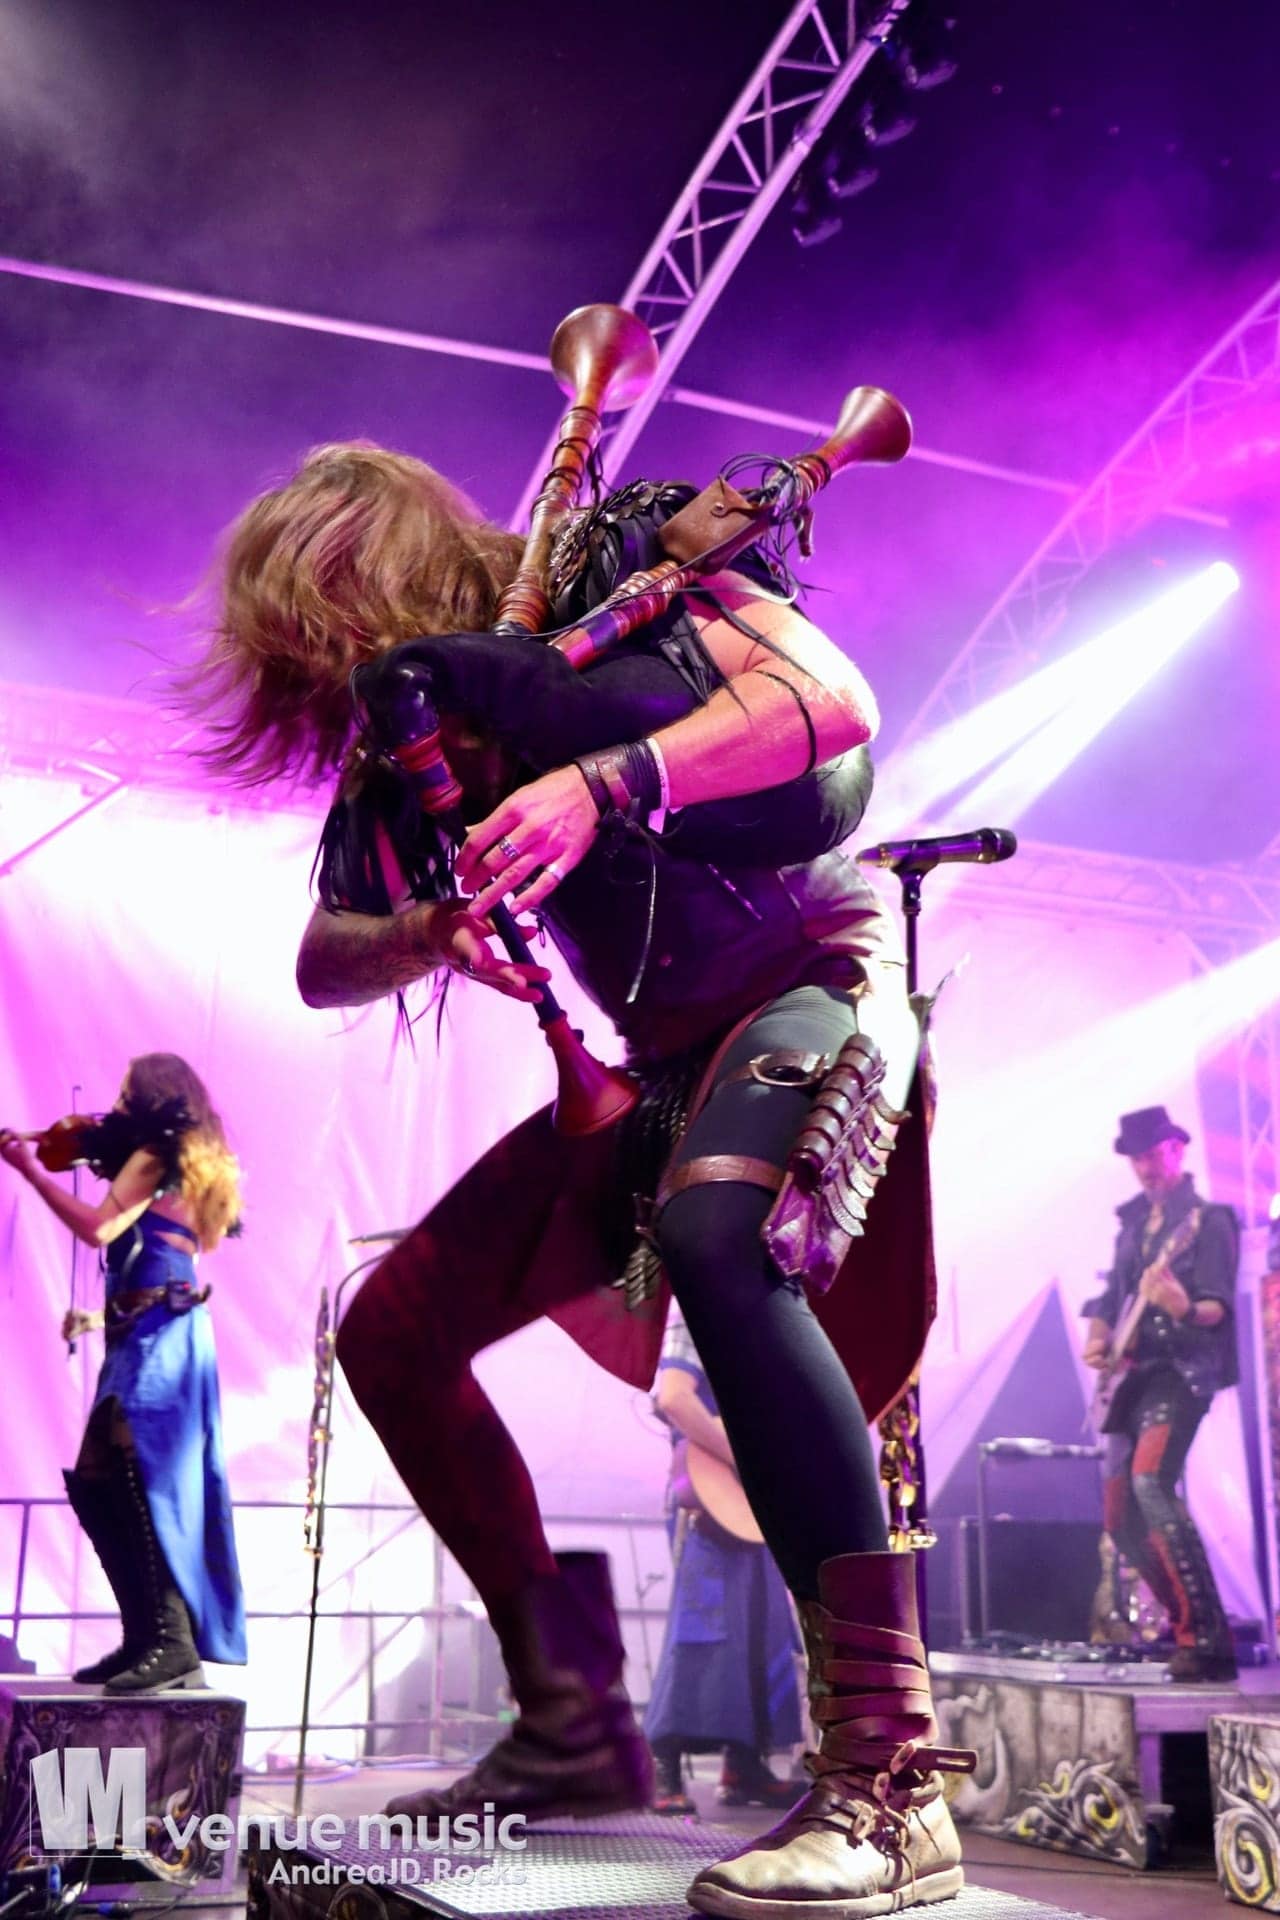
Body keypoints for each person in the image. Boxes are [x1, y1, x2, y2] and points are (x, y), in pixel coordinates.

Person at [191, 441, 973, 1917]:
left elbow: (830, 703)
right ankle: (569, 1721)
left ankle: (891, 1781)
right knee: (392, 1330)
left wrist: (601, 785)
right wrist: (428, 932)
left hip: (810, 975)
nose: (339, 679)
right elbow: (320, 959)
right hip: (657, 1059)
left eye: (335, 632)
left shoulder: (626, 571)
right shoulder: (411, 735)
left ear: (387, 578)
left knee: (717, 1233)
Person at [0, 1054, 247, 1691]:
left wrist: (30, 1170)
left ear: (148, 1095)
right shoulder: (191, 1159)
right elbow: (164, 1257)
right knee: (100, 1480)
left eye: (125, 1094)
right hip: (157, 1325)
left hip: (159, 1336)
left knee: (139, 1478)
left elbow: (99, 1227)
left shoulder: (158, 1153)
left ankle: (172, 1642)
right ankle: (144, 1637)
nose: (115, 1106)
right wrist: (95, 1317)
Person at [1082, 1104, 1239, 1683]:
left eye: (1154, 1154)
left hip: (1180, 1371)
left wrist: (1183, 1307)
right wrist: (1099, 1335)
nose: (1146, 1167)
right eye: (1137, 1159)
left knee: (1151, 1481)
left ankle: (1206, 1638)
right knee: (1120, 1516)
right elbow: (1112, 1297)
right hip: (1131, 1378)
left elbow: (1217, 1307)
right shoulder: (1131, 1226)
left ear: (1177, 1149)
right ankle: (1187, 1629)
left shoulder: (1207, 1221)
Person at [646, 1298, 802, 1816]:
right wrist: (741, 1456)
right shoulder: (698, 1309)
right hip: (708, 1497)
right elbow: (674, 1396)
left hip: (752, 1499)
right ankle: (663, 1762)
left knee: (764, 1625)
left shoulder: (773, 1323)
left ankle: (745, 1766)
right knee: (703, 1626)